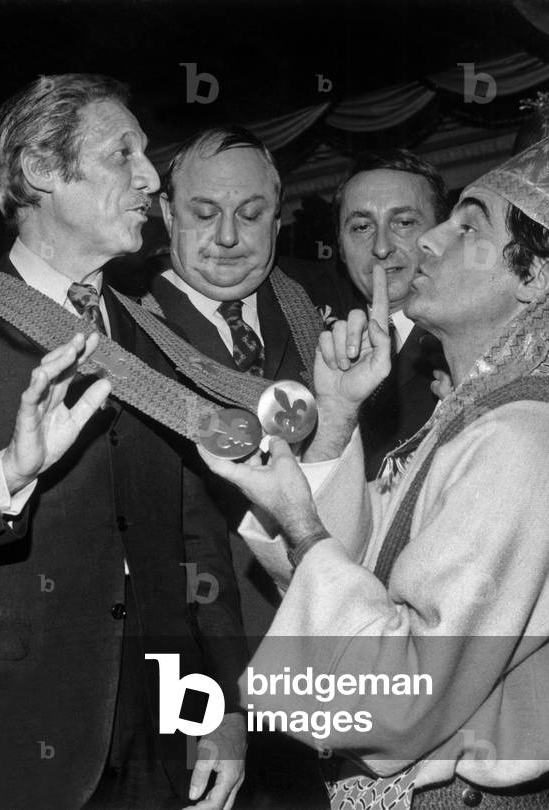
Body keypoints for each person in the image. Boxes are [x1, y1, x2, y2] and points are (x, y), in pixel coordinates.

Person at [203, 89, 549, 808]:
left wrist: (304, 525)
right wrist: (338, 416)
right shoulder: (471, 425)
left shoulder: (528, 442)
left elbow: (398, 694)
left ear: (539, 279)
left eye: (468, 228)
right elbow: (360, 586)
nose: (428, 242)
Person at [0, 74, 248, 810]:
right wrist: (8, 472)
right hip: (13, 728)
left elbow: (197, 547)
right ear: (40, 169)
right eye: (121, 154)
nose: (149, 177)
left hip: (160, 735)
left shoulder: (155, 348)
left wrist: (220, 707)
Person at [153, 124, 350, 809]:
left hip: (339, 668)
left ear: (279, 210)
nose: (229, 237)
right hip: (204, 686)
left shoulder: (319, 311)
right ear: (165, 214)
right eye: (204, 214)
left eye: (252, 213)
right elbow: (152, 555)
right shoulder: (124, 333)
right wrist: (209, 708)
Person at [332, 149, 449, 479]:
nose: (382, 247)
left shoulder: (481, 345)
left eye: (404, 223)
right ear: (339, 247)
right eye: (361, 227)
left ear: (442, 234)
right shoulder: (316, 346)